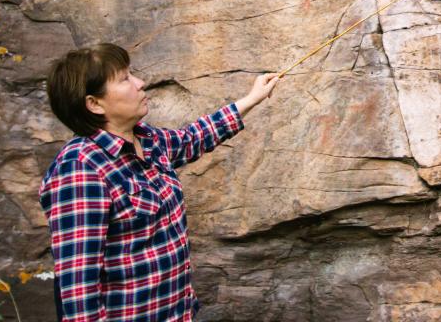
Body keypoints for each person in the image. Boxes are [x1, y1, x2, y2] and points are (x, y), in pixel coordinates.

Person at [38, 43, 278, 321]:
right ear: (94, 103)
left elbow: (193, 138)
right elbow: (79, 290)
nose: (140, 83)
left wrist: (251, 99)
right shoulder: (80, 170)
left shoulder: (146, 139)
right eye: (125, 79)